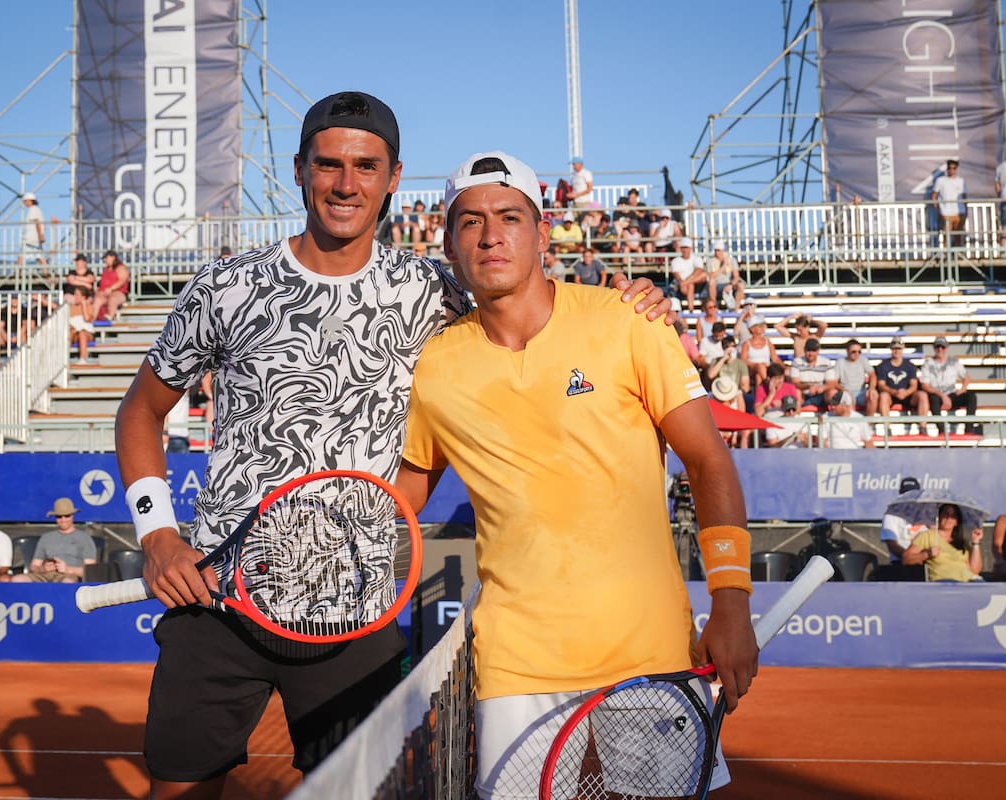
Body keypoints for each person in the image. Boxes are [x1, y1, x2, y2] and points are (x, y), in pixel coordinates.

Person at [111, 92, 675, 799]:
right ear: (300, 170)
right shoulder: (227, 285)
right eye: (330, 164)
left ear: (393, 178)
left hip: (357, 611)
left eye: (366, 166)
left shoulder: (434, 292)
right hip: (218, 603)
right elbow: (140, 410)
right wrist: (158, 533)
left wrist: (633, 299)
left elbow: (532, 310)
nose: (347, 183)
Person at [396, 150, 756, 799]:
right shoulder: (435, 368)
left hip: (650, 656)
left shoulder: (628, 322)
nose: (491, 234)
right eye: (470, 221)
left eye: (510, 216)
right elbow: (399, 500)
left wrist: (730, 601)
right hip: (515, 664)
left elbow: (708, 461)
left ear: (542, 230)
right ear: (447, 241)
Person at [9, 498, 97, 583]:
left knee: (67, 583)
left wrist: (67, 569)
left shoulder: (84, 538)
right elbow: (34, 566)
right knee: (17, 579)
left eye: (67, 516)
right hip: (45, 575)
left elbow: (90, 571)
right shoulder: (46, 537)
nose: (63, 520)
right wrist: (43, 568)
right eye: (59, 516)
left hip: (68, 575)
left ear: (72, 516)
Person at [904, 502, 984, 582]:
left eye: (953, 516)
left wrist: (976, 542)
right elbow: (906, 559)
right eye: (946, 514)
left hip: (968, 581)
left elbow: (975, 570)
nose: (949, 518)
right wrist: (927, 554)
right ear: (939, 516)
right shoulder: (927, 536)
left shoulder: (962, 542)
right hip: (944, 583)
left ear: (957, 521)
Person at [919, 337, 979, 434]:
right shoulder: (928, 363)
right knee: (933, 398)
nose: (940, 349)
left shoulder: (953, 361)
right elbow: (925, 385)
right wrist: (942, 396)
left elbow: (966, 376)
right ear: (934, 348)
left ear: (946, 348)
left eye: (942, 347)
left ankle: (969, 430)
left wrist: (962, 389)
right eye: (937, 347)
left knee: (971, 397)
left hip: (952, 393)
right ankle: (942, 431)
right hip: (937, 394)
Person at [879, 477, 928, 575]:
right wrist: (911, 557)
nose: (909, 498)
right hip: (900, 563)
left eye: (913, 494)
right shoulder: (890, 515)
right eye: (906, 494)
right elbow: (892, 545)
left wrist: (922, 557)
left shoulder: (927, 515)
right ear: (900, 495)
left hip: (925, 562)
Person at [875, 337, 928, 428]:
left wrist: (906, 392)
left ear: (903, 349)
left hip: (907, 396)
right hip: (890, 395)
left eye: (899, 348)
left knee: (922, 395)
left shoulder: (910, 366)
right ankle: (887, 428)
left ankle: (923, 426)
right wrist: (894, 392)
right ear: (891, 349)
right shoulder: (883, 366)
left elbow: (914, 385)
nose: (896, 351)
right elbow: (881, 385)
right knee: (883, 396)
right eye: (894, 348)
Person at [789, 338, 839, 410]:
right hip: (804, 394)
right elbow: (795, 382)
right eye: (808, 350)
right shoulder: (797, 362)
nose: (811, 353)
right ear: (804, 350)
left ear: (818, 351)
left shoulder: (826, 362)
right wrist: (809, 386)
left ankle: (835, 416)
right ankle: (796, 415)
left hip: (822, 394)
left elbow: (831, 383)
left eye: (814, 351)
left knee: (833, 392)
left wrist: (822, 388)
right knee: (796, 391)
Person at [931, 159, 966, 249]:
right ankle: (947, 255)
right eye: (949, 168)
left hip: (959, 212)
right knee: (947, 234)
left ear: (956, 168)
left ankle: (958, 255)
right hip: (946, 212)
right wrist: (937, 207)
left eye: (953, 168)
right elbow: (934, 195)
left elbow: (964, 196)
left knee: (958, 234)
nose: (951, 170)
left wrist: (965, 209)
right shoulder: (940, 180)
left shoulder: (961, 181)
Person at [836, 339, 877, 415]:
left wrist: (871, 389)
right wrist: (845, 391)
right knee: (847, 399)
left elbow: (872, 375)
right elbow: (835, 382)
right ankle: (853, 425)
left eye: (859, 352)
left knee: (873, 395)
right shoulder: (840, 362)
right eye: (854, 351)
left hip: (861, 393)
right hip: (846, 392)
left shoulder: (863, 360)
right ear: (847, 351)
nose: (857, 354)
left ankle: (868, 424)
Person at [740, 314, 782, 385]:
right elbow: (743, 360)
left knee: (758, 376)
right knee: (760, 367)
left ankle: (759, 394)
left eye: (763, 325)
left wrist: (784, 366)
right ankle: (769, 384)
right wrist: (756, 364)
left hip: (766, 368)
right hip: (752, 369)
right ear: (752, 328)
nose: (763, 327)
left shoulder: (767, 342)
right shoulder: (747, 344)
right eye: (760, 325)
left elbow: (775, 358)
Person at [670, 237, 708, 310]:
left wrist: (686, 281)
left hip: (692, 284)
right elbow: (677, 275)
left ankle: (691, 309)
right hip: (684, 286)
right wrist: (683, 283)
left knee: (702, 276)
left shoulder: (696, 259)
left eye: (686, 247)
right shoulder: (676, 261)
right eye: (683, 248)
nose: (685, 250)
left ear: (690, 248)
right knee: (691, 284)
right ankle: (691, 309)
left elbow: (699, 270)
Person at [706, 240, 745, 309]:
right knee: (711, 282)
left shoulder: (732, 260)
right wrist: (723, 267)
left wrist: (731, 285)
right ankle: (714, 308)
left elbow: (736, 276)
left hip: (728, 283)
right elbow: (711, 276)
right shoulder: (710, 261)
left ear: (723, 250)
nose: (717, 252)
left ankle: (736, 309)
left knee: (740, 285)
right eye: (716, 250)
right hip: (717, 284)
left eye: (719, 250)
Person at [92, 250, 129, 322]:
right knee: (97, 300)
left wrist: (111, 289)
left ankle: (110, 317)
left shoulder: (120, 268)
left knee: (113, 299)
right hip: (105, 294)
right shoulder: (106, 269)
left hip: (119, 293)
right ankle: (93, 318)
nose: (105, 260)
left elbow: (122, 280)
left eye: (106, 258)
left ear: (113, 257)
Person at [69, 286, 97, 364]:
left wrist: (84, 305)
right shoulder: (70, 308)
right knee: (70, 331)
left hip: (86, 333)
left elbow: (87, 319)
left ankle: (82, 358)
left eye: (77, 295)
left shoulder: (90, 307)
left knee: (82, 333)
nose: (75, 297)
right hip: (74, 332)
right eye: (74, 294)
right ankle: (64, 357)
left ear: (83, 297)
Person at [18, 192, 48, 266]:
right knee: (39, 257)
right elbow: (43, 224)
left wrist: (40, 235)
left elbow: (36, 222)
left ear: (30, 201)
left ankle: (18, 274)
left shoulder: (32, 209)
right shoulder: (38, 210)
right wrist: (41, 235)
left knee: (21, 255)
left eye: (26, 201)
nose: (25, 203)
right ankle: (46, 273)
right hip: (36, 238)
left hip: (31, 238)